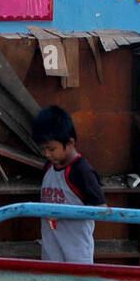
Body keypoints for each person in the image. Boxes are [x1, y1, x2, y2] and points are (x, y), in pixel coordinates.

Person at [33, 105, 106, 263]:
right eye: (43, 149)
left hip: (77, 254)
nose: (46, 154)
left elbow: (101, 210)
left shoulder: (81, 171)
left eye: (51, 149)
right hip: (50, 251)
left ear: (70, 143)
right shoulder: (49, 168)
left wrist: (61, 214)